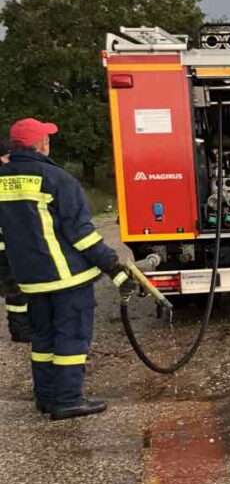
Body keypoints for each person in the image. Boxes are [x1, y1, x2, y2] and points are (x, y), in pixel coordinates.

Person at [0, 118, 135, 419]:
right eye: (48, 138)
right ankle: (69, 399)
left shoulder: (2, 177)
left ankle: (46, 397)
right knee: (71, 339)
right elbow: (82, 234)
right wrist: (112, 266)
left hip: (30, 280)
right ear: (42, 144)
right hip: (66, 278)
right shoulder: (56, 178)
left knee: (43, 340)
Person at [0, 142, 32, 343]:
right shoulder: (6, 179)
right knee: (16, 291)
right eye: (7, 156)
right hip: (7, 248)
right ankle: (21, 331)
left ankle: (21, 330)